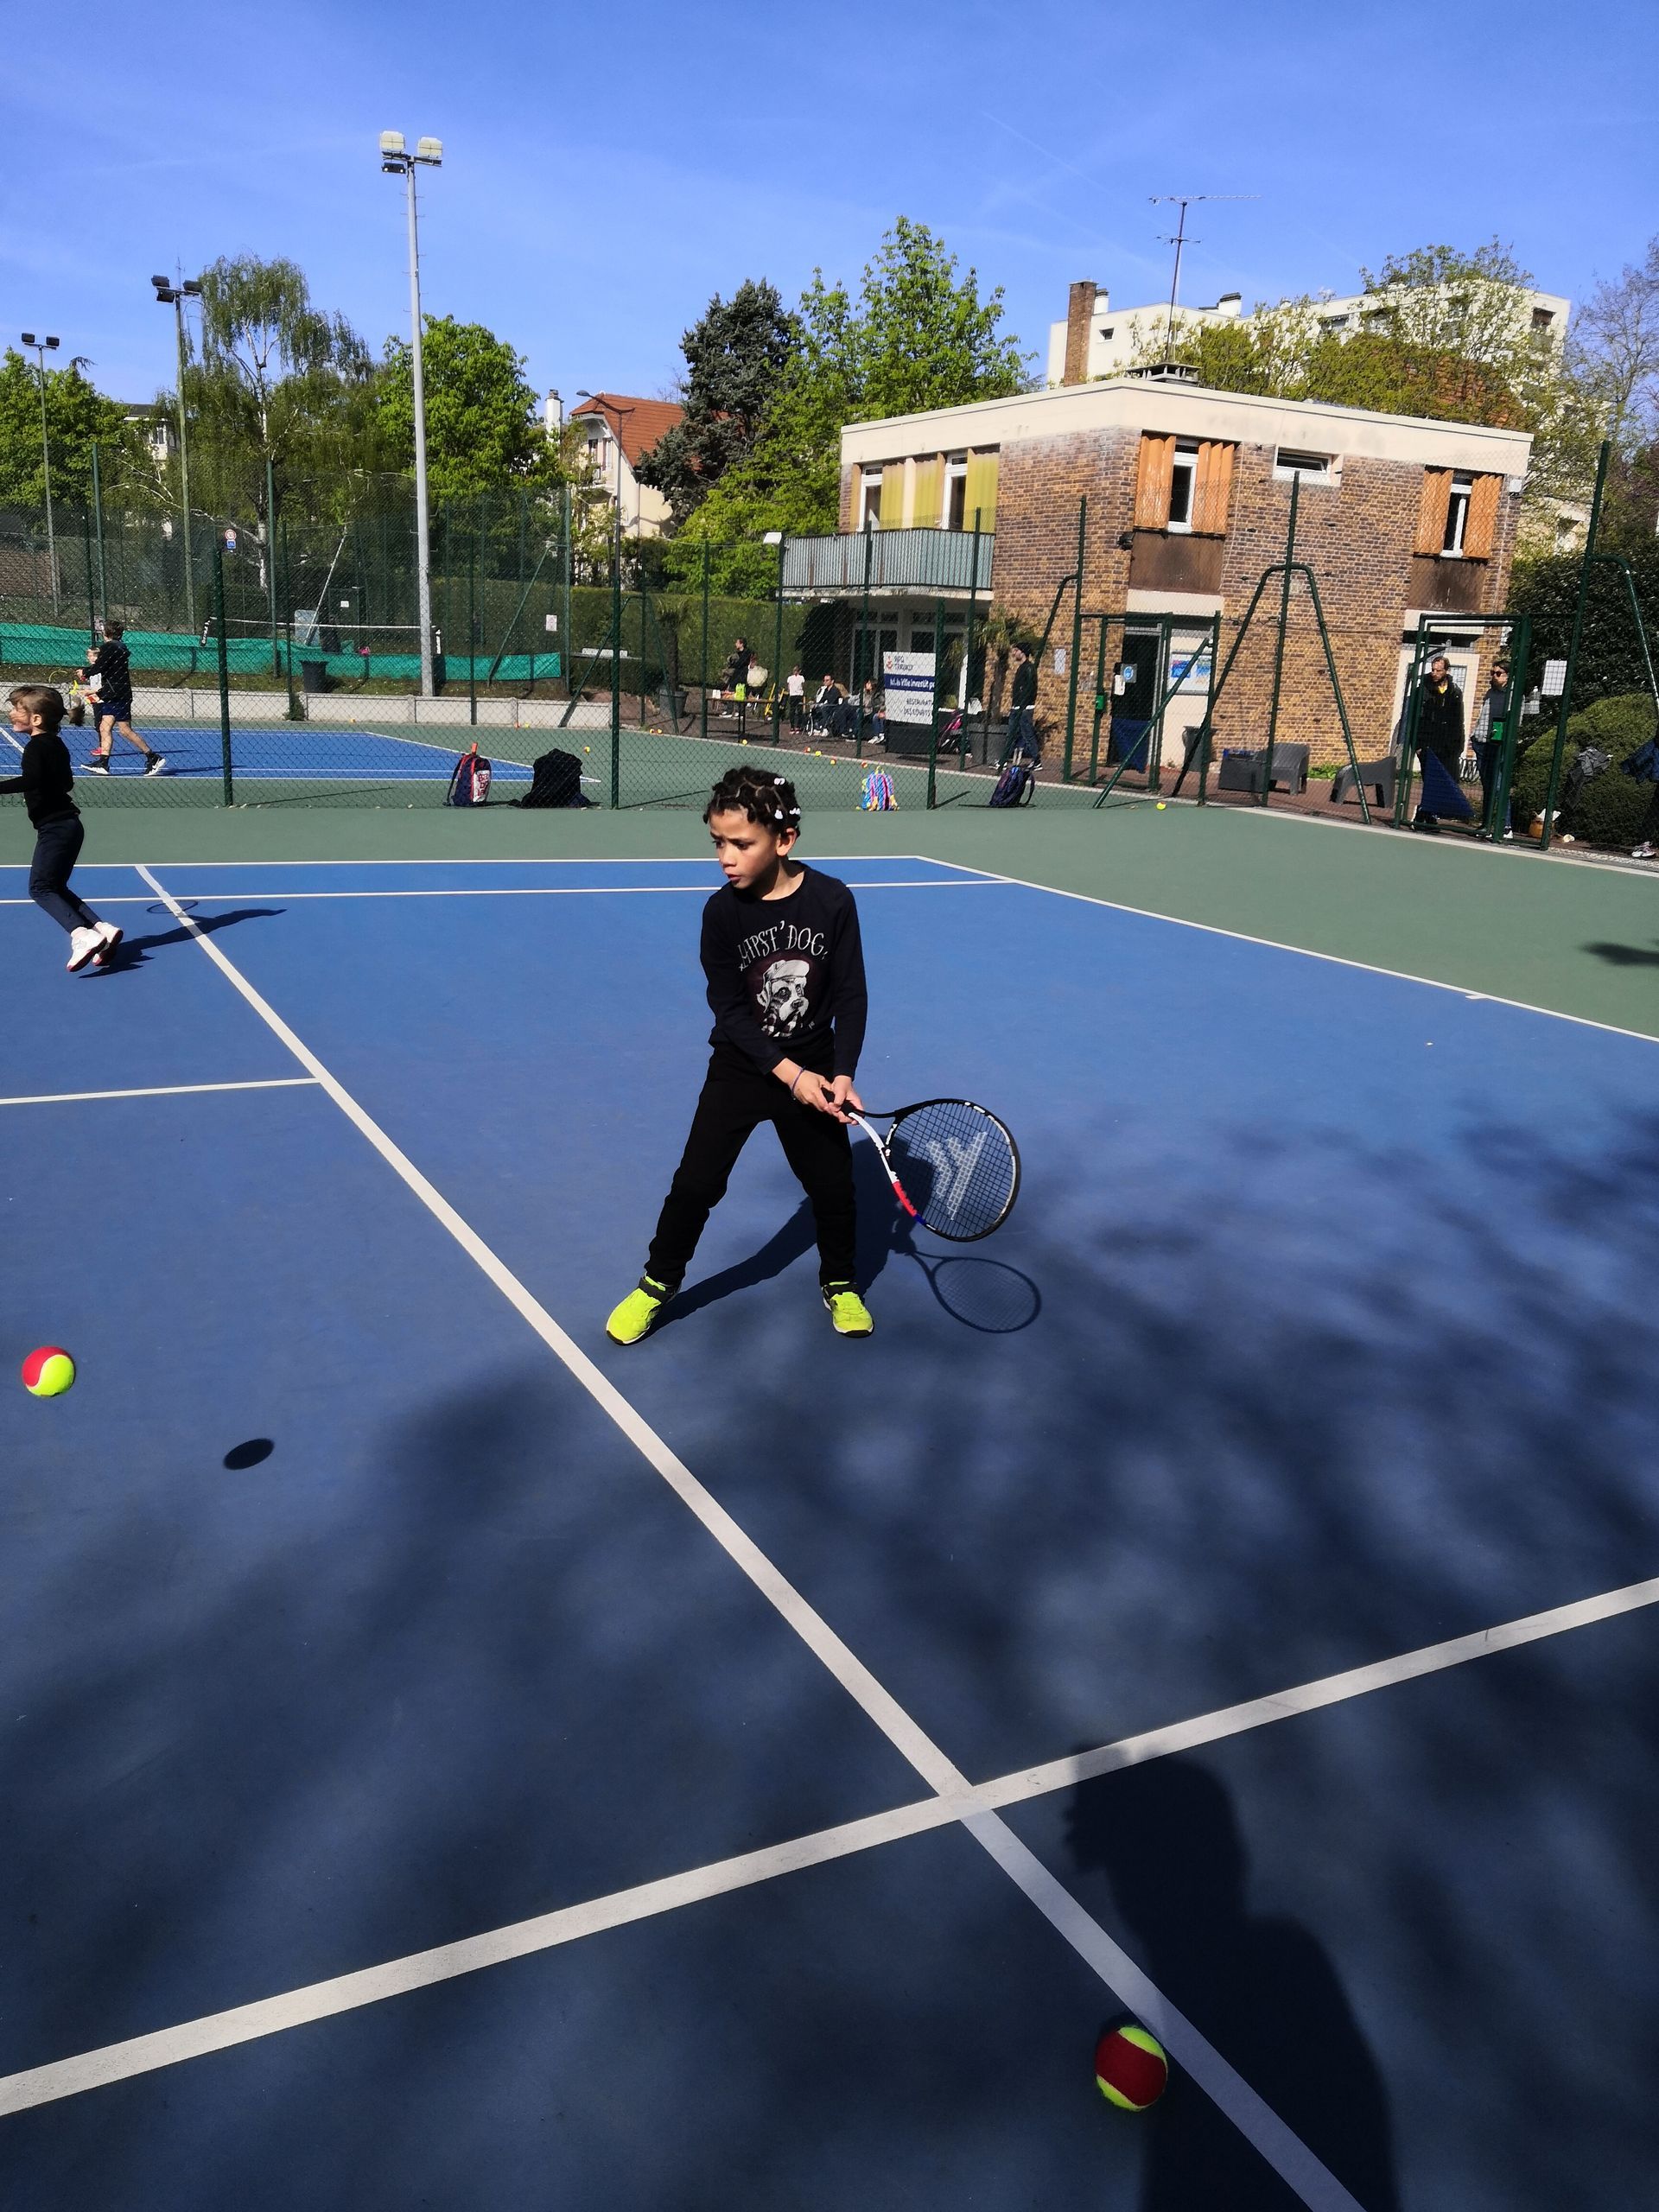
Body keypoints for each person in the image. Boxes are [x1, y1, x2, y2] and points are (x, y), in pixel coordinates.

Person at [605, 766, 874, 1346]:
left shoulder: (832, 901)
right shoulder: (721, 913)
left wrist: (842, 1073)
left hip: (815, 1062)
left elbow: (851, 995)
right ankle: (657, 1284)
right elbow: (729, 1011)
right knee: (696, 1185)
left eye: (742, 844)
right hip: (741, 1067)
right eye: (718, 843)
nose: (726, 858)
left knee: (833, 1188)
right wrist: (791, 1075)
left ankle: (841, 1281)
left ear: (785, 840)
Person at [0, 684, 123, 970]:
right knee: (55, 886)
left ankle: (82, 935)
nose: (11, 713)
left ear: (36, 719)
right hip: (70, 826)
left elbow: (31, 780)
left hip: (55, 828)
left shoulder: (35, 747)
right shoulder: (57, 744)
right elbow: (66, 783)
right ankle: (102, 929)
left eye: (17, 709)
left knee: (40, 888)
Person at [80, 621, 165, 776]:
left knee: (125, 730)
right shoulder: (119, 647)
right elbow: (106, 667)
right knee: (104, 727)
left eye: (103, 630)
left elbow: (100, 667)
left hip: (117, 694)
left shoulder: (109, 647)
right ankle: (103, 763)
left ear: (107, 633)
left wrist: (85, 672)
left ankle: (153, 758)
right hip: (113, 693)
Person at [1409, 654, 1470, 832]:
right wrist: (1418, 745)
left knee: (1443, 782)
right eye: (1433, 670)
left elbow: (1458, 720)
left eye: (1439, 670)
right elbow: (1415, 719)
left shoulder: (1454, 692)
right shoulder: (1423, 691)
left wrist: (1458, 745)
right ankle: (1424, 817)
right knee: (1430, 781)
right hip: (1428, 744)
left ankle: (1427, 816)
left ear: (1446, 671)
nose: (1435, 673)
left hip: (1447, 746)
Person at [1471, 659, 1514, 836]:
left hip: (1497, 746)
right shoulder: (1490, 693)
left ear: (1507, 676)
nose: (1494, 676)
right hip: (1481, 743)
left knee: (1498, 786)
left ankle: (1505, 826)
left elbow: (1512, 722)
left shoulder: (1513, 695)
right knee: (1488, 786)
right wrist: (1475, 736)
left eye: (1498, 673)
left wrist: (1497, 739)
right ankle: (1486, 824)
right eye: (1492, 673)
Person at [1002, 643, 1040, 766]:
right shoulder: (1022, 668)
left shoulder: (1029, 668)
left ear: (1022, 652)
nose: (1014, 653)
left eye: (1016, 650)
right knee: (1011, 734)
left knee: (1027, 733)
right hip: (1017, 707)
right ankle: (1003, 760)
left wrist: (1024, 704)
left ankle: (1036, 760)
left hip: (1024, 708)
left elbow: (1031, 688)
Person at [721, 634, 753, 737]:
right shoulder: (737, 653)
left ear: (741, 644)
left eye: (737, 642)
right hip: (736, 674)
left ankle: (741, 712)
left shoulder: (747, 653)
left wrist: (734, 664)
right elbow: (734, 662)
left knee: (740, 693)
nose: (735, 644)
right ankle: (729, 710)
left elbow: (741, 663)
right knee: (731, 690)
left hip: (742, 675)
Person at [785, 664, 806, 732]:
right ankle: (794, 726)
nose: (795, 672)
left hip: (798, 695)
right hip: (795, 695)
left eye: (796, 670)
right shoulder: (791, 678)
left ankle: (797, 726)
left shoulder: (801, 678)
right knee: (794, 711)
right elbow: (789, 687)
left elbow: (789, 687)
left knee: (797, 711)